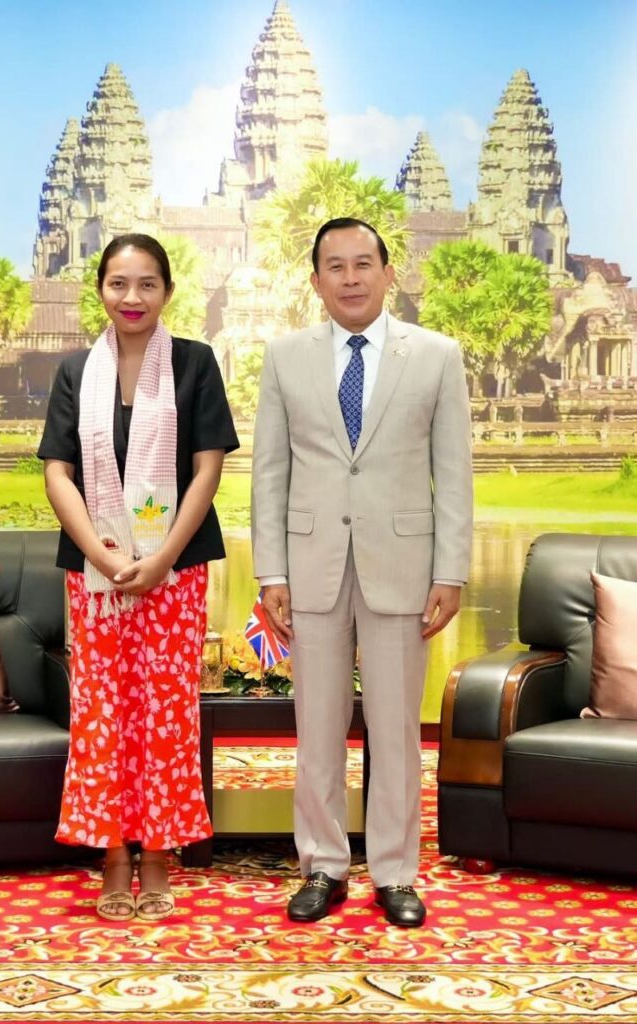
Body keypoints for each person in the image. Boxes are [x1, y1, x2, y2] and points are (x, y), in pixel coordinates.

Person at [252, 217, 472, 927]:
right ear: (316, 281)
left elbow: (453, 474)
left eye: (362, 264)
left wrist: (451, 570)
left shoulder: (436, 356)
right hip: (310, 566)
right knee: (316, 728)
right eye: (335, 266)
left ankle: (396, 873)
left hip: (403, 567)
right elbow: (270, 473)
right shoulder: (285, 357)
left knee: (396, 729)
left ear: (388, 273)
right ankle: (322, 865)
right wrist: (271, 570)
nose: (350, 278)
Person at [39, 233, 239, 922]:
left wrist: (161, 559)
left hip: (174, 569)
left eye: (147, 284)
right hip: (94, 572)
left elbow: (207, 469)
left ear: (167, 292)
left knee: (165, 710)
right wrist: (100, 554)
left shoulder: (195, 363)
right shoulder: (75, 371)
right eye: (119, 283)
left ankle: (156, 854)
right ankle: (114, 856)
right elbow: (57, 472)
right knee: (104, 712)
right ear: (100, 289)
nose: (132, 297)